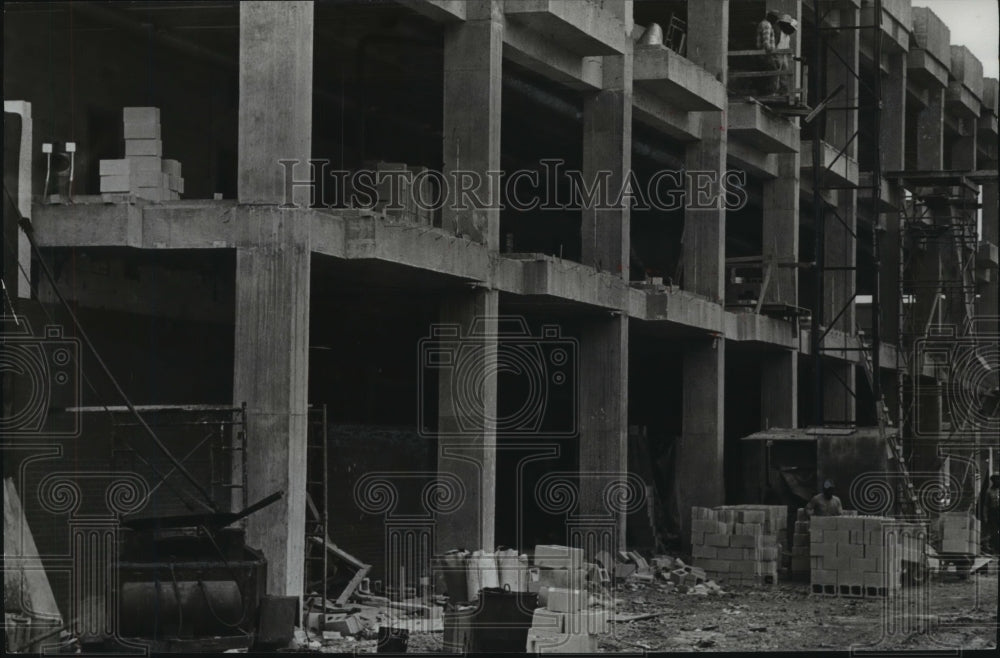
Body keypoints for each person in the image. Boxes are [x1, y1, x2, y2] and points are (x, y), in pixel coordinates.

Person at [756, 10, 782, 95]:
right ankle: (771, 92)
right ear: (772, 18)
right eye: (775, 19)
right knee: (773, 71)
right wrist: (773, 54)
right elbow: (766, 42)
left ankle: (765, 92)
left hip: (762, 54)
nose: (776, 22)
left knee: (766, 74)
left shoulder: (762, 23)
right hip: (766, 54)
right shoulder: (767, 25)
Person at [775, 14, 798, 95]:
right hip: (777, 55)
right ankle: (775, 91)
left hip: (783, 56)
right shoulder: (778, 33)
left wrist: (794, 57)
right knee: (776, 74)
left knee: (784, 73)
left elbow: (787, 50)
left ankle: (783, 91)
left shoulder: (787, 37)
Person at [978, 474, 1000, 554]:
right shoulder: (989, 491)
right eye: (995, 479)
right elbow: (986, 505)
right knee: (994, 532)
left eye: (998, 479)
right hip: (993, 513)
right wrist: (985, 516)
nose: (997, 481)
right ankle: (996, 549)